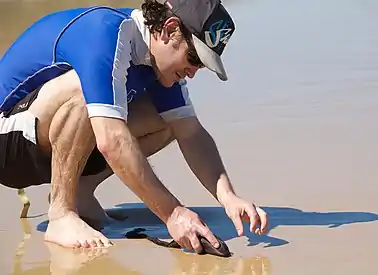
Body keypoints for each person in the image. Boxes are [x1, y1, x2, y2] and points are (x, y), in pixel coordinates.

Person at [0, 0, 269, 252]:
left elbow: (192, 133)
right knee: (86, 92)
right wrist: (173, 214)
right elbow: (111, 142)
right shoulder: (107, 34)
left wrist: (228, 197)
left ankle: (79, 192)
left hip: (45, 139)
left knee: (169, 122)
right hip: (8, 141)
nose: (193, 72)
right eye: (194, 58)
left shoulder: (157, 63)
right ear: (169, 29)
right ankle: (61, 213)